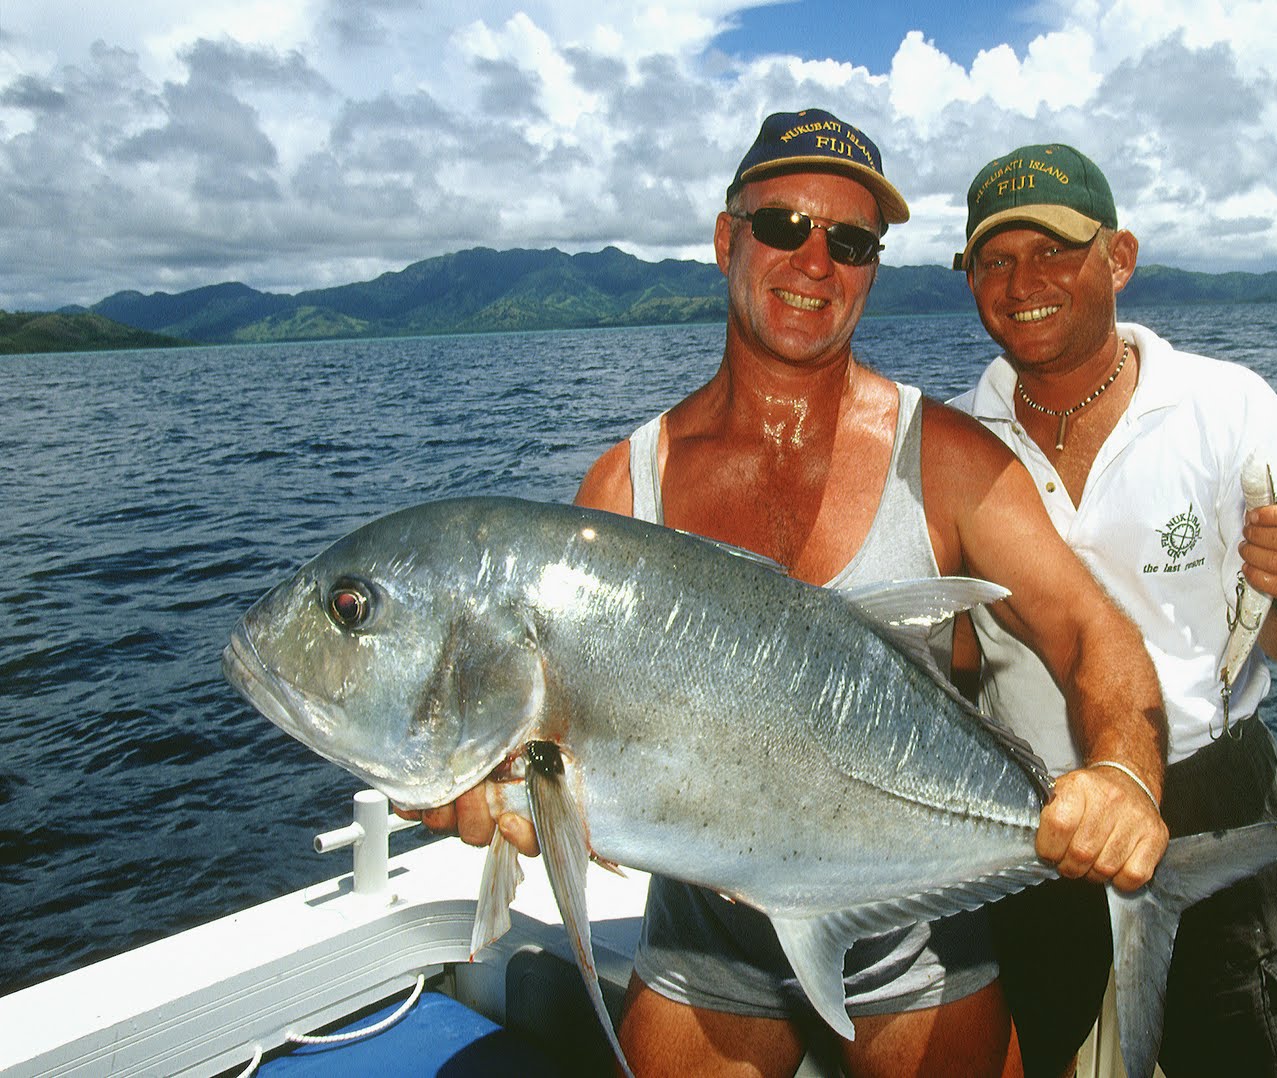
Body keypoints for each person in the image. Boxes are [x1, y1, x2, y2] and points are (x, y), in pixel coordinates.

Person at [405, 111, 1171, 1078]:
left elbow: (1092, 632)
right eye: (782, 226)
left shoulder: (949, 464)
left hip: (917, 921)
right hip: (705, 936)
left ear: (871, 271)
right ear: (728, 239)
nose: (814, 260)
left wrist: (1126, 777)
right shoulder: (622, 491)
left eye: (849, 242)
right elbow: (550, 747)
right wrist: (495, 786)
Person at [947, 142, 1277, 1078]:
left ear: (1120, 256)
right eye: (996, 260)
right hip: (1025, 811)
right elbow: (954, 658)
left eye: (1053, 250)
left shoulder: (1228, 407)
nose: (1024, 283)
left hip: (1205, 789)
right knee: (1027, 1043)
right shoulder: (952, 442)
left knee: (1232, 1050)